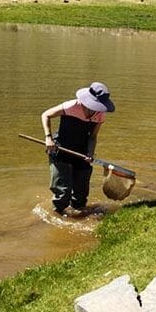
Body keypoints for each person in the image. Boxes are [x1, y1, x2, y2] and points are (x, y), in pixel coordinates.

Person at [41, 82, 115, 215]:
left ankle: (79, 213)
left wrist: (90, 153)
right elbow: (46, 115)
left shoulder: (100, 115)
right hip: (61, 149)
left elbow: (93, 137)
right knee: (63, 192)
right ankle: (58, 215)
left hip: (81, 151)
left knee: (81, 195)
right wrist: (48, 138)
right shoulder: (71, 106)